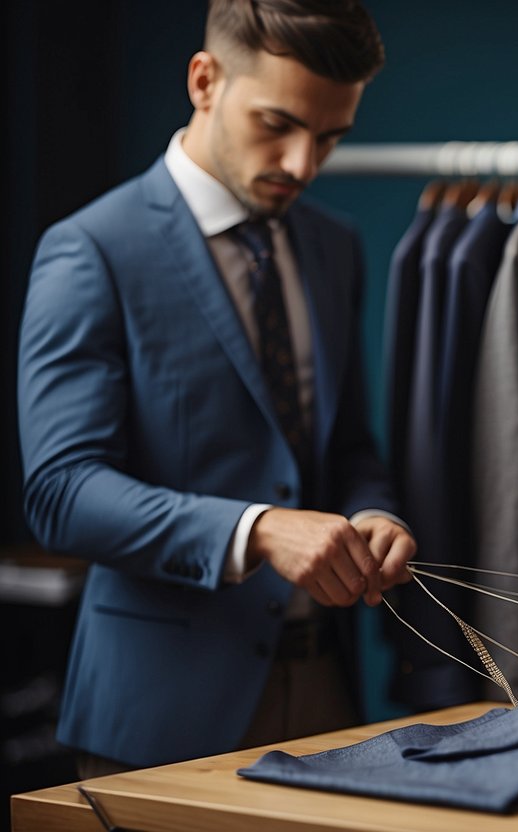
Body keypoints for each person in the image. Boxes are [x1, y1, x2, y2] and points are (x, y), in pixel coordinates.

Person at [17, 0, 415, 778]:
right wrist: (257, 528)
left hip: (333, 693)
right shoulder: (89, 250)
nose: (303, 163)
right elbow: (60, 492)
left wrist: (375, 511)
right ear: (204, 81)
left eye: (330, 136)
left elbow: (349, 446)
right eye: (277, 124)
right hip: (163, 713)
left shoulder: (334, 247)